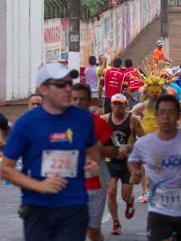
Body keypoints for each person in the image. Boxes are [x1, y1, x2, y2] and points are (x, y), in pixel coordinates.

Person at [0, 62, 99, 241]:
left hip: (74, 206)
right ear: (44, 89)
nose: (68, 89)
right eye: (61, 84)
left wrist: (92, 162)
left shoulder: (83, 119)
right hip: (38, 208)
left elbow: (92, 149)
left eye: (70, 83)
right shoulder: (25, 124)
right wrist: (40, 186)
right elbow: (6, 169)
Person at [128, 94, 181, 241]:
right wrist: (135, 172)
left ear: (178, 116)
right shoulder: (145, 143)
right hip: (158, 210)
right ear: (156, 115)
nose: (166, 117)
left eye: (171, 112)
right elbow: (133, 160)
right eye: (162, 112)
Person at [70, 83, 119, 241]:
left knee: (92, 231)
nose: (78, 103)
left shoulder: (99, 124)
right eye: (74, 99)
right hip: (67, 184)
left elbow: (115, 151)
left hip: (94, 184)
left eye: (82, 99)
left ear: (89, 102)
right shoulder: (59, 123)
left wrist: (98, 149)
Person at [102, 93, 144, 235]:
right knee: (111, 192)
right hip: (110, 162)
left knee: (125, 195)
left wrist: (130, 147)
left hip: (128, 163)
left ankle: (130, 202)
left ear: (126, 105)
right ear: (111, 105)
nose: (117, 107)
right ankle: (116, 223)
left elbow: (144, 140)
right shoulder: (105, 119)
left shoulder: (133, 120)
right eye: (115, 104)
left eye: (120, 104)